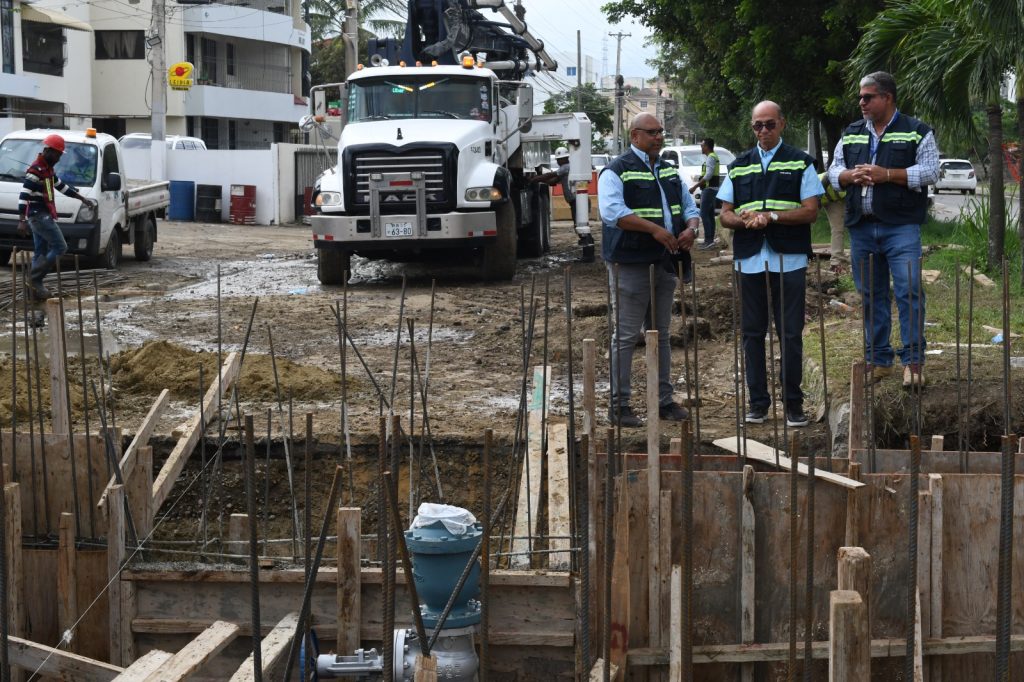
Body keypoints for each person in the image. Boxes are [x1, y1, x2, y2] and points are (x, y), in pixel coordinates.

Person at [828, 71, 939, 388]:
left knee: (909, 291)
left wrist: (886, 174)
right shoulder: (851, 133)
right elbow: (834, 171)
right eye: (860, 97)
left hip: (901, 228)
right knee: (871, 295)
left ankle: (913, 363)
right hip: (862, 228)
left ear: (887, 98)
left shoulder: (916, 131)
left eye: (868, 97)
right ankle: (879, 360)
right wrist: (850, 176)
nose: (861, 102)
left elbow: (931, 171)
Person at [718, 101, 822, 428]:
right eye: (757, 125)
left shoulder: (800, 163)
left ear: (782, 124)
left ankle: (793, 404)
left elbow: (810, 211)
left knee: (790, 333)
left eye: (769, 124)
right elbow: (725, 213)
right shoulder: (739, 166)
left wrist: (773, 216)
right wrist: (742, 220)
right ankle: (758, 404)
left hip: (787, 257)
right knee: (752, 333)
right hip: (750, 259)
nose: (763, 131)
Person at [599, 113, 700, 427]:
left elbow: (689, 207)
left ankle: (663, 401)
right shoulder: (617, 170)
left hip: (664, 261)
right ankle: (620, 406)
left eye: (661, 132)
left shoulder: (669, 173)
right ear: (635, 136)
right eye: (652, 132)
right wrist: (654, 230)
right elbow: (613, 212)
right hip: (630, 262)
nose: (658, 137)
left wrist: (692, 229)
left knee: (661, 335)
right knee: (627, 336)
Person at [17, 134, 96, 300]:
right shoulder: (36, 171)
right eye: (58, 154)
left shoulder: (47, 171)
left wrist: (82, 199)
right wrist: (21, 220)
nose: (59, 158)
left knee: (40, 251)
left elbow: (61, 186)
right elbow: (24, 196)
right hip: (38, 216)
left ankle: (32, 290)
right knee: (61, 247)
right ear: (49, 151)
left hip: (42, 215)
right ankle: (35, 279)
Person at [532, 146, 596, 261]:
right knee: (579, 226)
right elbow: (553, 181)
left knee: (581, 226)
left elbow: (550, 176)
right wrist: (541, 180)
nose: (557, 161)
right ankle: (588, 253)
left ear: (563, 159)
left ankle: (588, 255)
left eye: (558, 159)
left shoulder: (566, 167)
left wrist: (535, 179)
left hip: (578, 201)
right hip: (577, 201)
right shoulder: (566, 169)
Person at [689, 138, 721, 250]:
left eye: (702, 145)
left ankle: (708, 241)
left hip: (709, 190)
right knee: (710, 215)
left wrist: (694, 186)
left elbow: (708, 176)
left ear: (707, 146)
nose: (701, 147)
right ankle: (710, 241)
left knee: (704, 214)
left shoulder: (711, 157)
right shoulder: (712, 157)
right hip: (711, 189)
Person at [819, 170, 847, 266]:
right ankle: (804, 256)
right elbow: (827, 176)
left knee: (837, 228)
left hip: (834, 199)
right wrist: (816, 204)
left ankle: (837, 260)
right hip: (814, 195)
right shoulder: (845, 174)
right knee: (804, 225)